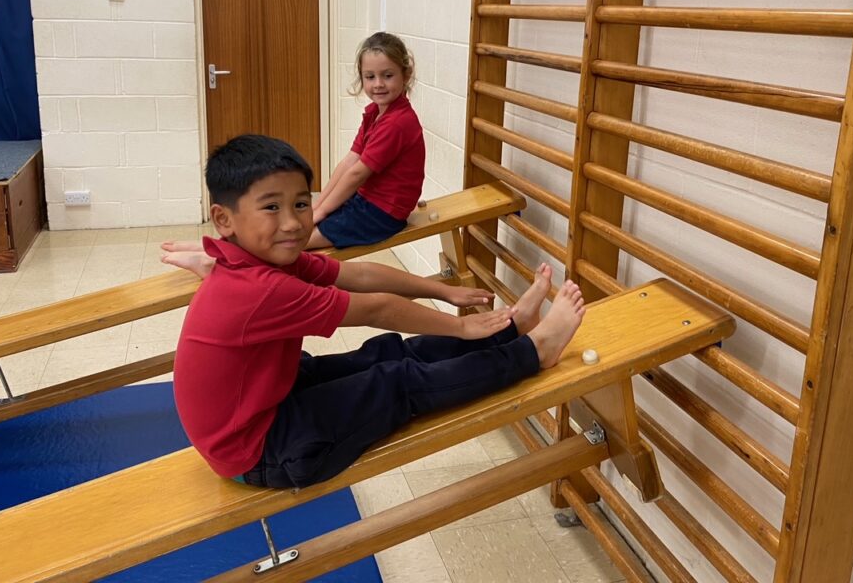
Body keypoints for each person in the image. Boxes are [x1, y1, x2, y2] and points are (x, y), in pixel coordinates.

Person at [174, 133, 587, 489]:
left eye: (301, 204)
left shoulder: (266, 258)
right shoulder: (258, 288)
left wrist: (443, 292)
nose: (292, 223)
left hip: (270, 399)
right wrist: (460, 329)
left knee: (386, 353)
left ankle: (509, 330)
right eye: (271, 207)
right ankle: (534, 351)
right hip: (261, 450)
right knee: (397, 381)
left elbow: (361, 276)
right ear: (224, 219)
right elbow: (378, 309)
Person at [160, 31, 425, 275]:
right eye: (370, 77)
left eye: (387, 75)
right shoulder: (374, 113)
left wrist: (319, 213)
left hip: (381, 215)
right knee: (284, 228)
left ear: (406, 74)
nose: (378, 84)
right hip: (364, 203)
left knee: (289, 240)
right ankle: (212, 247)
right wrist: (318, 204)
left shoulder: (398, 122)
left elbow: (357, 174)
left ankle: (211, 262)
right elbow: (349, 161)